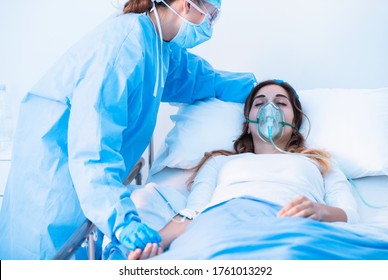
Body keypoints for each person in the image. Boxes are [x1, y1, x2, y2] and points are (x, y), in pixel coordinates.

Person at [0, 0, 256, 260]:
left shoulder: (158, 45)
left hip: (86, 187)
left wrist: (257, 88)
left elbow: (198, 79)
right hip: (52, 187)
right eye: (211, 15)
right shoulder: (123, 46)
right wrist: (123, 221)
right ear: (187, 5)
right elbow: (93, 148)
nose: (210, 26)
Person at [127, 79, 360, 260]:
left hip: (293, 226)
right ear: (248, 123)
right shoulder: (220, 161)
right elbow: (194, 211)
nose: (270, 109)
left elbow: (349, 213)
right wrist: (156, 245)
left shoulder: (318, 162)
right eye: (260, 103)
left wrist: (319, 212)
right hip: (224, 224)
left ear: (295, 121)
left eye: (280, 103)